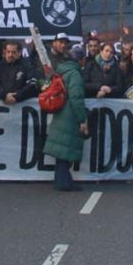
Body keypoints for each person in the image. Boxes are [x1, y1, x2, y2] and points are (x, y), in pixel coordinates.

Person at [43, 33, 88, 191]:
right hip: (70, 116)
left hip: (61, 114)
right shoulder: (75, 74)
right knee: (65, 151)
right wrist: (82, 120)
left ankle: (63, 181)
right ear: (81, 60)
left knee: (62, 150)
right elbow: (76, 98)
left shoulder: (62, 71)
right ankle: (63, 183)